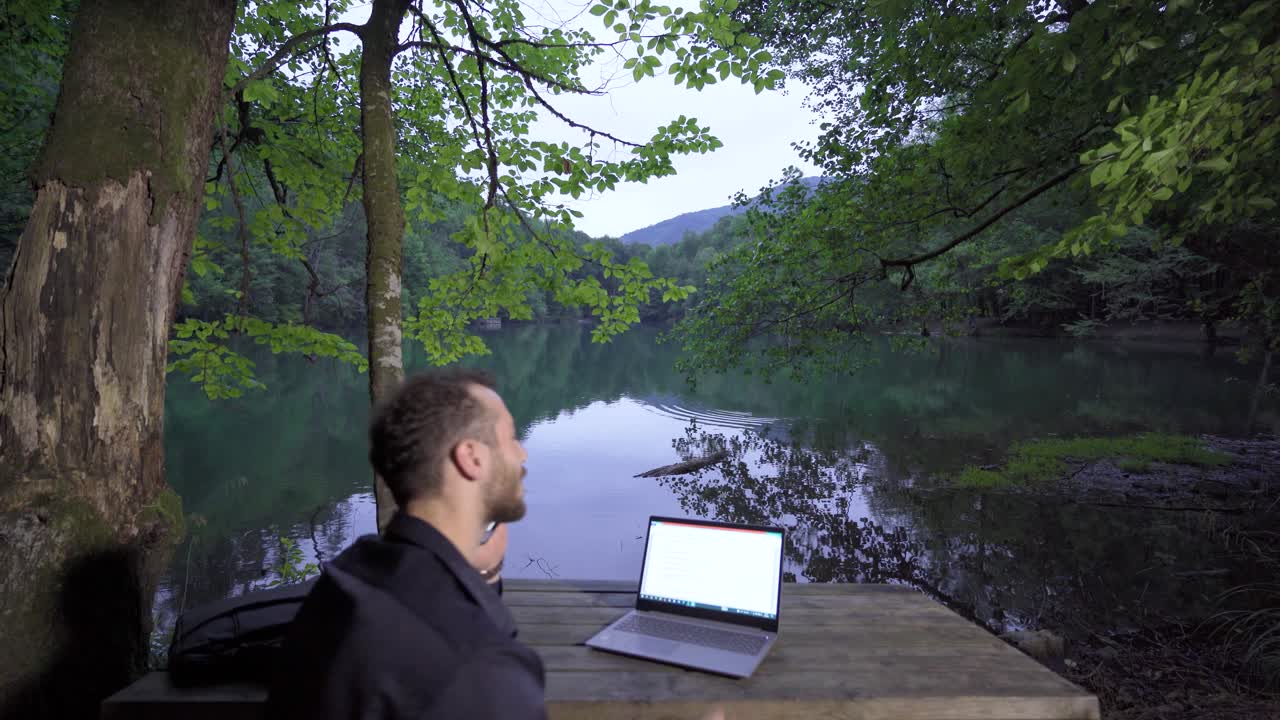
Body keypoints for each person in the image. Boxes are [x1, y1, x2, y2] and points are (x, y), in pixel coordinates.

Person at [267, 369, 726, 720]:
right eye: (510, 438)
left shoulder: (349, 578)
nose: (523, 454)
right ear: (471, 458)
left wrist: (474, 577)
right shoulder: (476, 665)